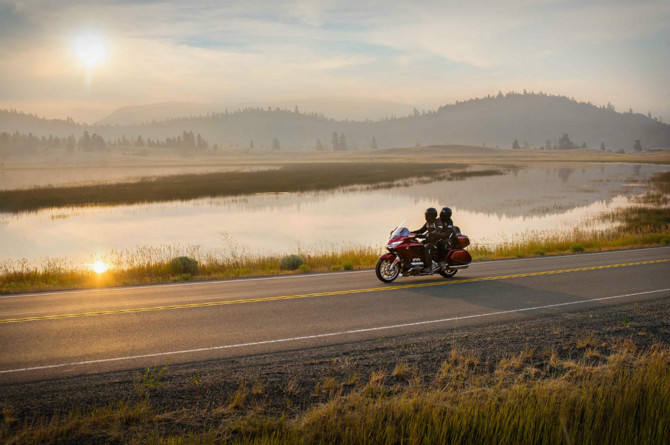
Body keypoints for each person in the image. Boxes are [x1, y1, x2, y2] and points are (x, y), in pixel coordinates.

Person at [411, 207, 443, 273]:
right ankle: (419, 264)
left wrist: (429, 234)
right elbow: (421, 230)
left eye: (427, 215)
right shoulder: (428, 223)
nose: (426, 216)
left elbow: (438, 230)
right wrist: (410, 233)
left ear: (432, 215)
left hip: (437, 242)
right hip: (429, 240)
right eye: (426, 215)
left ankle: (429, 267)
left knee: (426, 247)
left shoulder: (438, 222)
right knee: (418, 245)